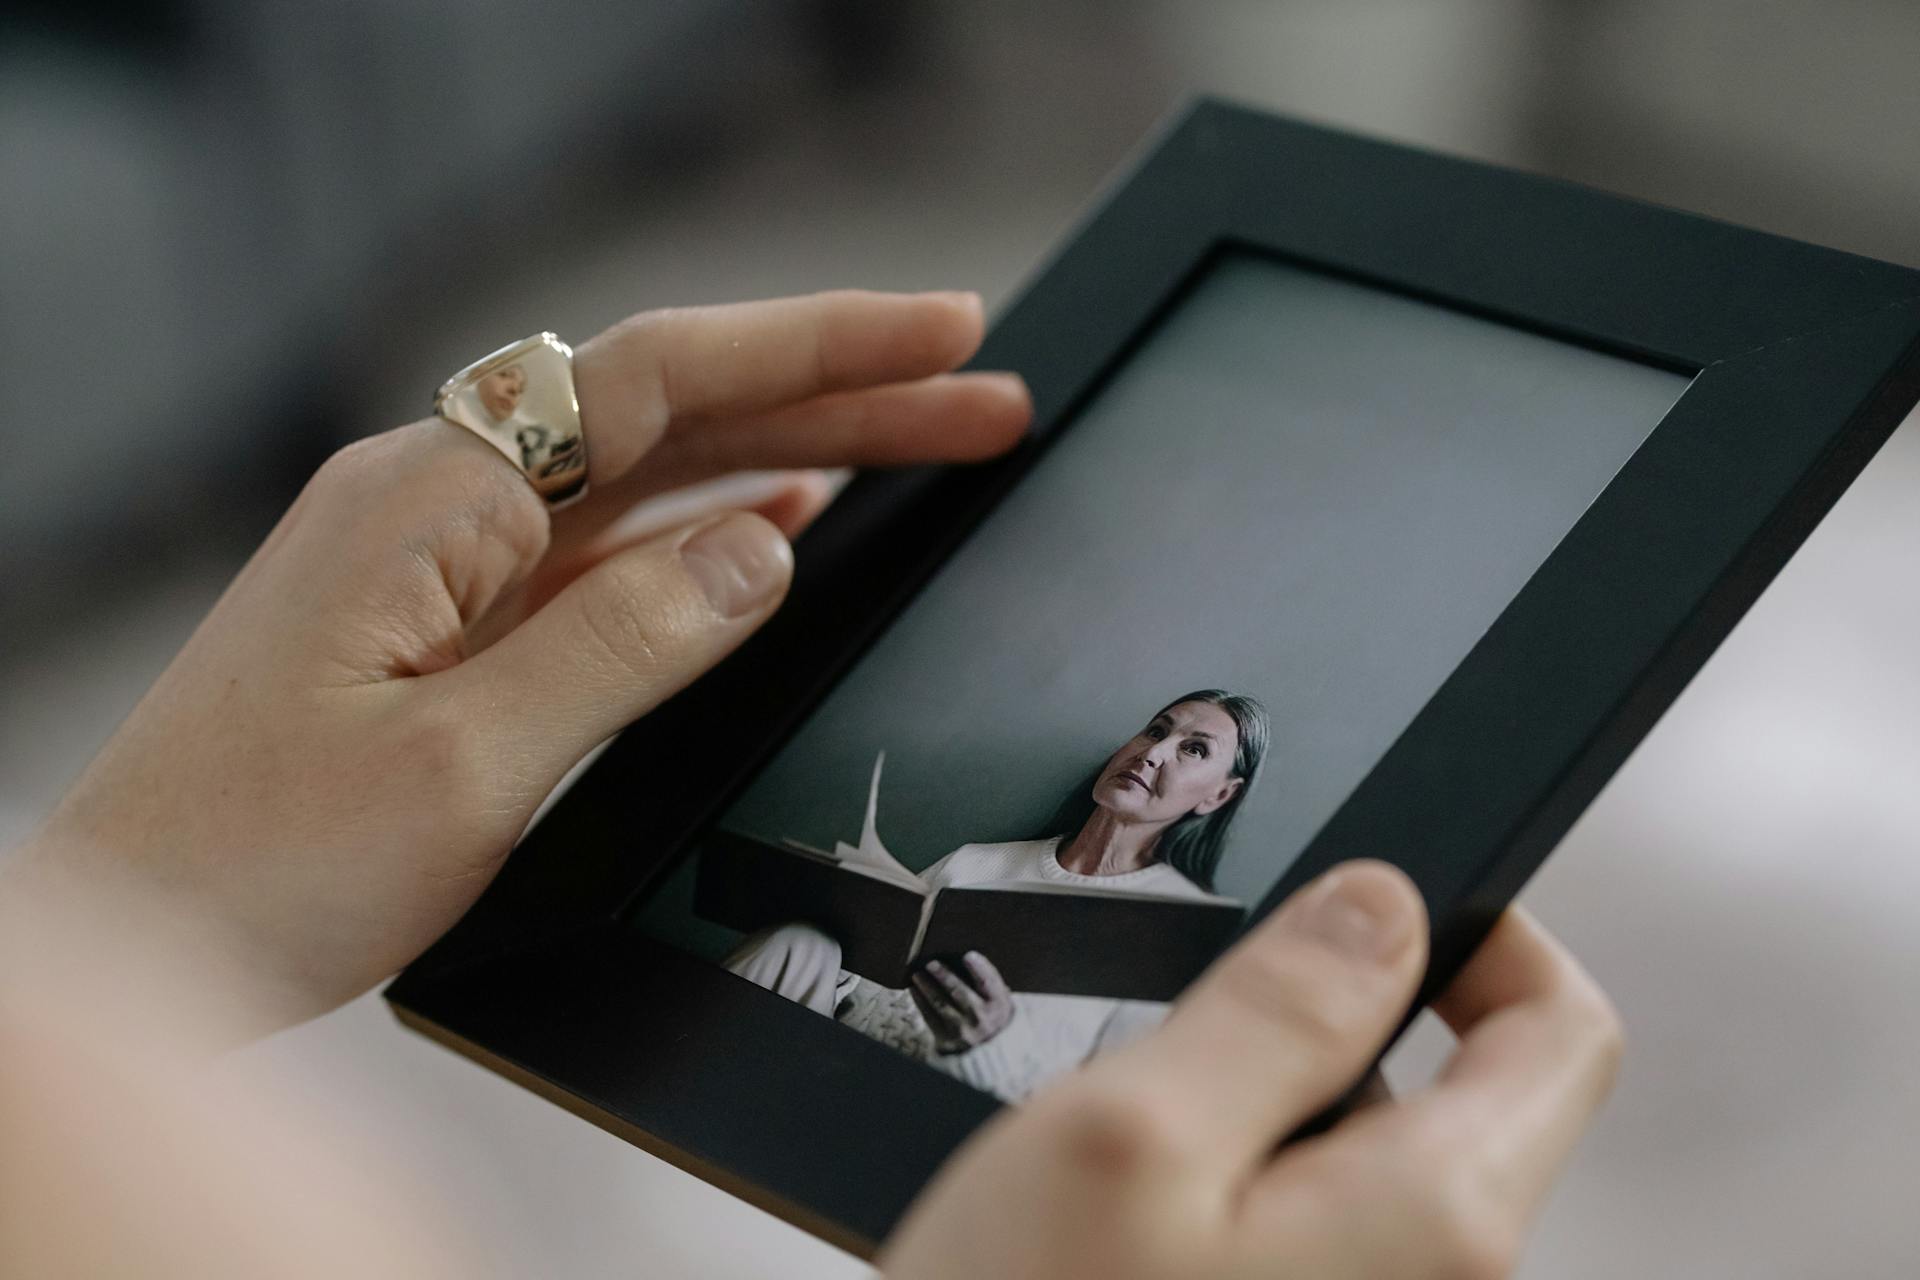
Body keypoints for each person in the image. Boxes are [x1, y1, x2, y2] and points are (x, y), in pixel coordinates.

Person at [0, 290, 1621, 1277]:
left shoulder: (1201, 940)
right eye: (1165, 724)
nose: (1162, 750)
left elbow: (1130, 1150)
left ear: (1208, 799)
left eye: (1201, 750)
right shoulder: (988, 847)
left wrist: (117, 904)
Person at [728, 690, 1271, 1101]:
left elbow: (1100, 1116)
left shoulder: (1174, 932)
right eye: (1156, 731)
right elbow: (871, 975)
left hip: (951, 1124)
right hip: (832, 1059)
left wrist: (987, 1044)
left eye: (1193, 750)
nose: (1154, 754)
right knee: (799, 943)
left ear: (1219, 795)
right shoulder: (979, 861)